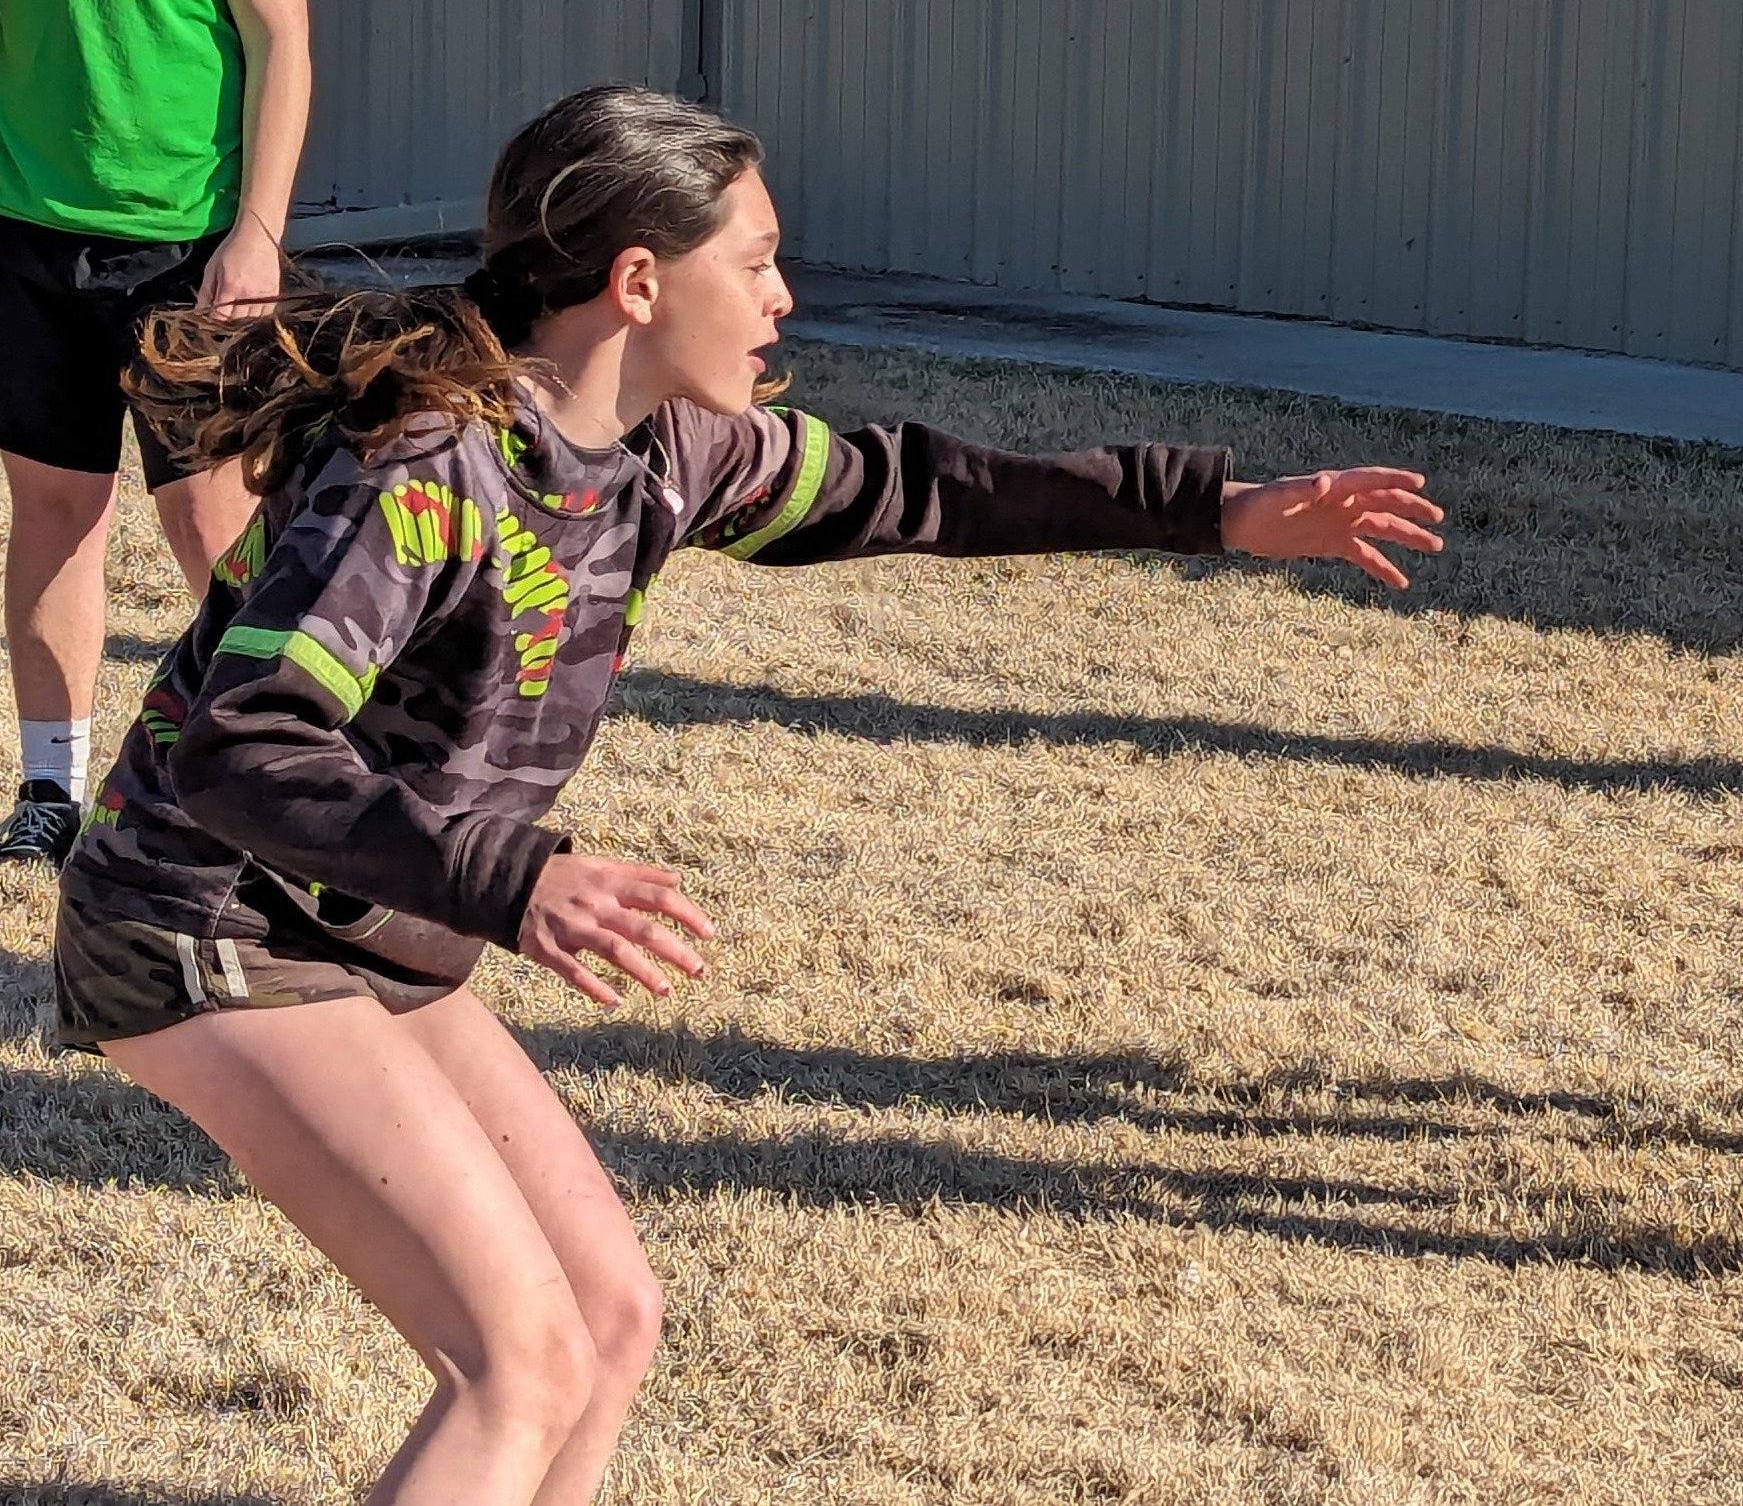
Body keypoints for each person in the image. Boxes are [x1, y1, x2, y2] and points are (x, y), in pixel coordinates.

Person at [53, 86, 1447, 1506]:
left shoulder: (667, 451)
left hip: (359, 919)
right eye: (758, 260)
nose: (783, 297)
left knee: (607, 1325)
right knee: (517, 1363)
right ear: (638, 282)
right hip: (200, 916)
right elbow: (243, 749)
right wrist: (515, 879)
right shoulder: (425, 466)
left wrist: (1212, 511)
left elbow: (914, 490)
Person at [0, 0, 316, 866]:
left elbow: (282, 42)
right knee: (53, 513)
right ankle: (49, 790)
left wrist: (258, 232)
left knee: (212, 522)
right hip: (25, 237)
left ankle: (271, 783)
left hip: (188, 243)